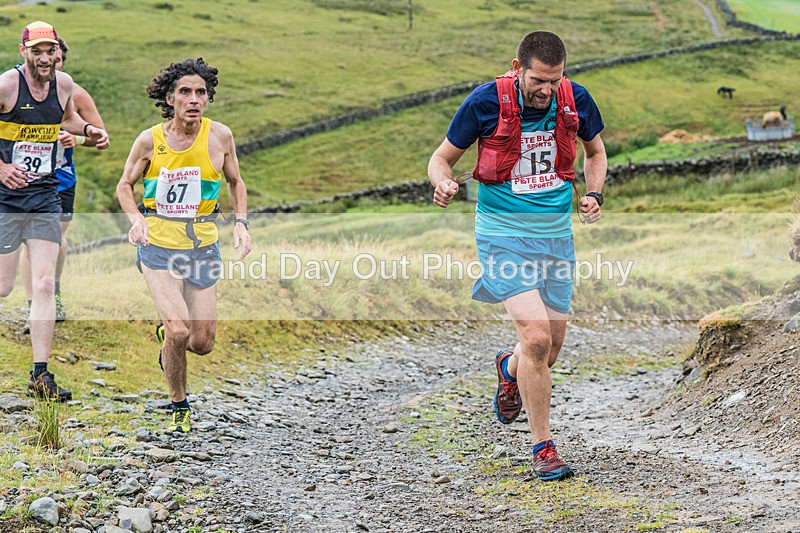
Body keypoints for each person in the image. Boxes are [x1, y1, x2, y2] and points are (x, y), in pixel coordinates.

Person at [427, 31, 606, 481]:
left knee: (549, 349)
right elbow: (441, 158)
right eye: (538, 80)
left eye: (555, 80)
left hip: (555, 239)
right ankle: (543, 448)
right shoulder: (485, 102)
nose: (546, 90)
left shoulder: (575, 99)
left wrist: (595, 192)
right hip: (502, 236)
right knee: (538, 338)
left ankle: (508, 369)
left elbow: (596, 152)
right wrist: (443, 182)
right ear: (517, 68)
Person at [116, 58, 252, 433]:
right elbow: (124, 186)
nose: (194, 99)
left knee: (202, 341)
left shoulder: (220, 136)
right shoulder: (150, 140)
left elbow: (236, 182)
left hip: (203, 245)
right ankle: (179, 405)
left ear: (207, 99)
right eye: (185, 92)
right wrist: (137, 219)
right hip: (158, 244)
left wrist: (240, 224)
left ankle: (168, 342)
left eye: (201, 92)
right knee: (178, 330)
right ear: (170, 98)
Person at [0, 21, 109, 401]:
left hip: (45, 193)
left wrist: (90, 132)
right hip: (5, 197)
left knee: (45, 283)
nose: (45, 58)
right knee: (3, 286)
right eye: (37, 51)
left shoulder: (65, 85)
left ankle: (40, 375)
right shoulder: (6, 86)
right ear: (24, 51)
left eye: (51, 52)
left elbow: (67, 120)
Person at [20, 37, 106, 328]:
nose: (47, 64)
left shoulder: (75, 94)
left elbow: (99, 136)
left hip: (61, 177)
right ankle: (34, 305)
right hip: (27, 177)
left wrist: (78, 138)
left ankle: (53, 293)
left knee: (55, 237)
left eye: (55, 60)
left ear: (62, 62)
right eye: (42, 57)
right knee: (30, 242)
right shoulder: (19, 91)